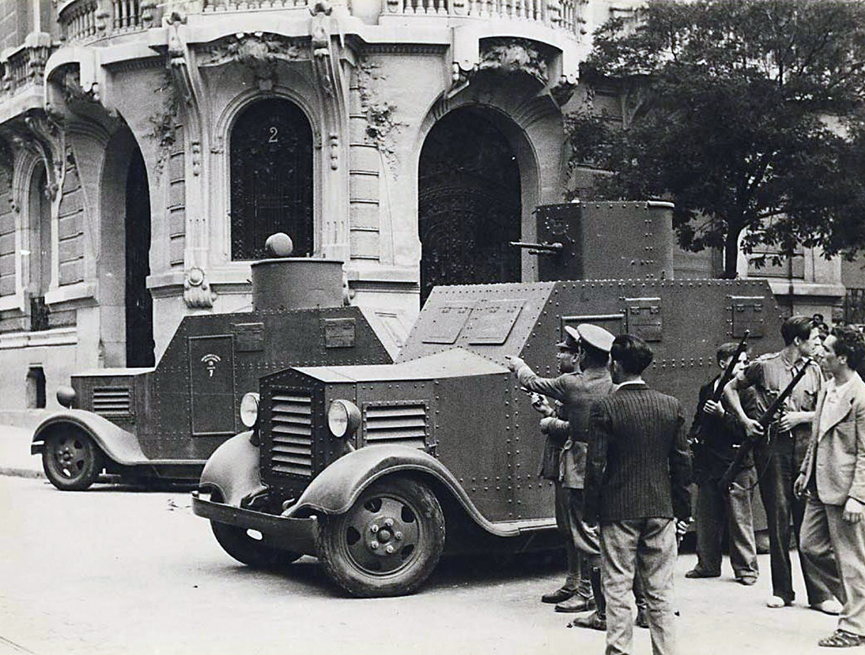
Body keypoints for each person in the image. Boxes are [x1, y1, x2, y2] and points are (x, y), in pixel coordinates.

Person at [724, 315, 841, 612]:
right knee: (778, 519)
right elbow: (729, 388)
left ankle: (820, 595)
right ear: (797, 341)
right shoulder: (765, 366)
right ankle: (782, 590)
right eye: (813, 339)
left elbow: (828, 408)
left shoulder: (816, 371)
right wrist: (745, 420)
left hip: (804, 447)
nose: (817, 344)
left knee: (808, 522)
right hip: (772, 448)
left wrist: (802, 417)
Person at [584, 334, 691, 655]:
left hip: (618, 510)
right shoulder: (671, 406)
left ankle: (619, 651)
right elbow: (682, 463)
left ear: (615, 365)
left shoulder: (605, 407)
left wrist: (591, 513)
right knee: (660, 590)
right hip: (661, 508)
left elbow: (596, 465)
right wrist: (683, 511)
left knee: (617, 588)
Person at [508, 324, 615, 612]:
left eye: (568, 350)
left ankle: (588, 594)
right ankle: (577, 584)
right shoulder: (610, 383)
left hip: (579, 466)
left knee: (582, 532)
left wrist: (519, 365)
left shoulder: (573, 383)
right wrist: (549, 413)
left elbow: (532, 381)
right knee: (578, 530)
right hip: (598, 464)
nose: (562, 354)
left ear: (581, 354)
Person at [795, 326, 865, 648]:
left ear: (844, 358)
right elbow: (817, 435)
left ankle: (854, 627)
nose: (821, 353)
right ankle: (858, 608)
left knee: (851, 559)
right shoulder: (826, 387)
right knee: (810, 547)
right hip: (818, 485)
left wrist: (858, 497)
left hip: (845, 490)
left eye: (828, 349)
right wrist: (805, 471)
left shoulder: (861, 396)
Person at [686, 343, 759, 585]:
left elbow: (749, 430)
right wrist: (693, 436)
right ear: (722, 364)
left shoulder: (748, 392)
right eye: (738, 362)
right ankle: (707, 564)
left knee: (740, 519)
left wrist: (722, 415)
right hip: (709, 462)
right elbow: (698, 420)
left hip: (735, 462)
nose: (743, 366)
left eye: (745, 362)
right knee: (706, 518)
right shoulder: (708, 389)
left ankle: (746, 570)